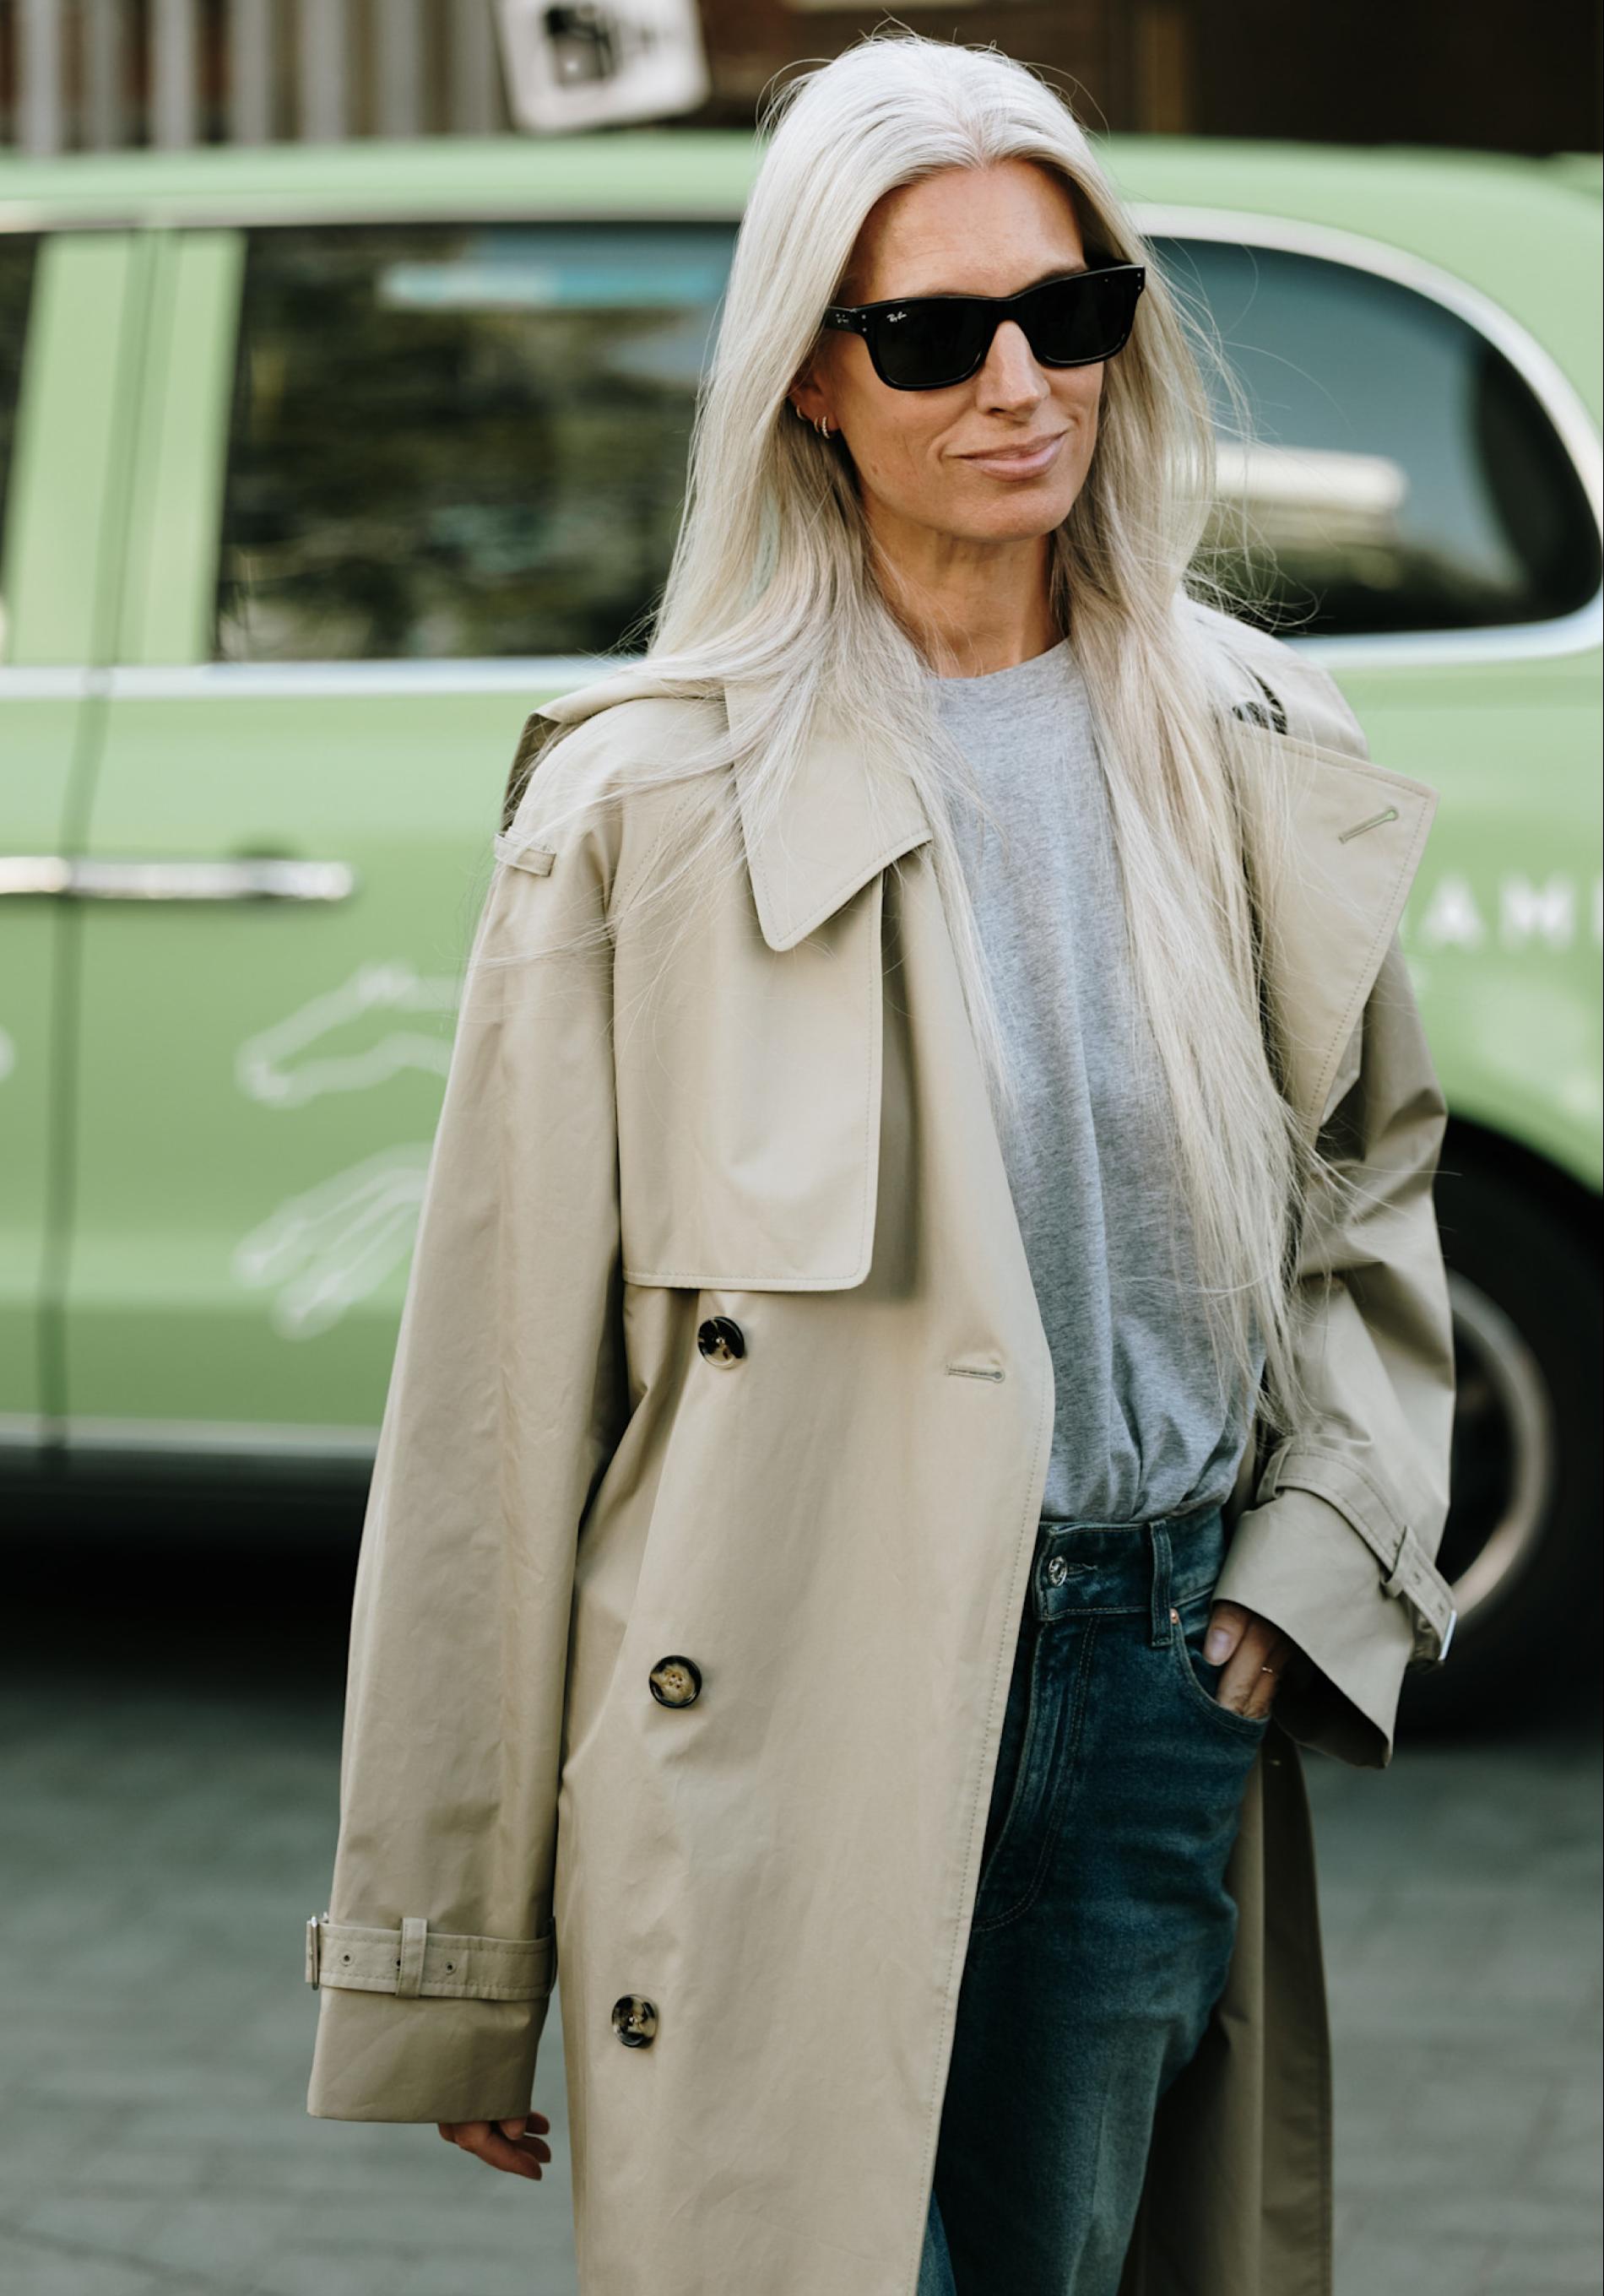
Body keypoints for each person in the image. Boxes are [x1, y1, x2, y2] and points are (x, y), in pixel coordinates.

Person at [303, 35, 1457, 2296]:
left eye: (1074, 312)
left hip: (1147, 1682)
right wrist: (447, 1941)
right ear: (807, 383)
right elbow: (493, 1410)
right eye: (932, 333)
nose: (1019, 383)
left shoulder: (1250, 745)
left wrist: (1303, 1564)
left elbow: (1365, 1204)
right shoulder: (643, 804)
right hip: (765, 1722)